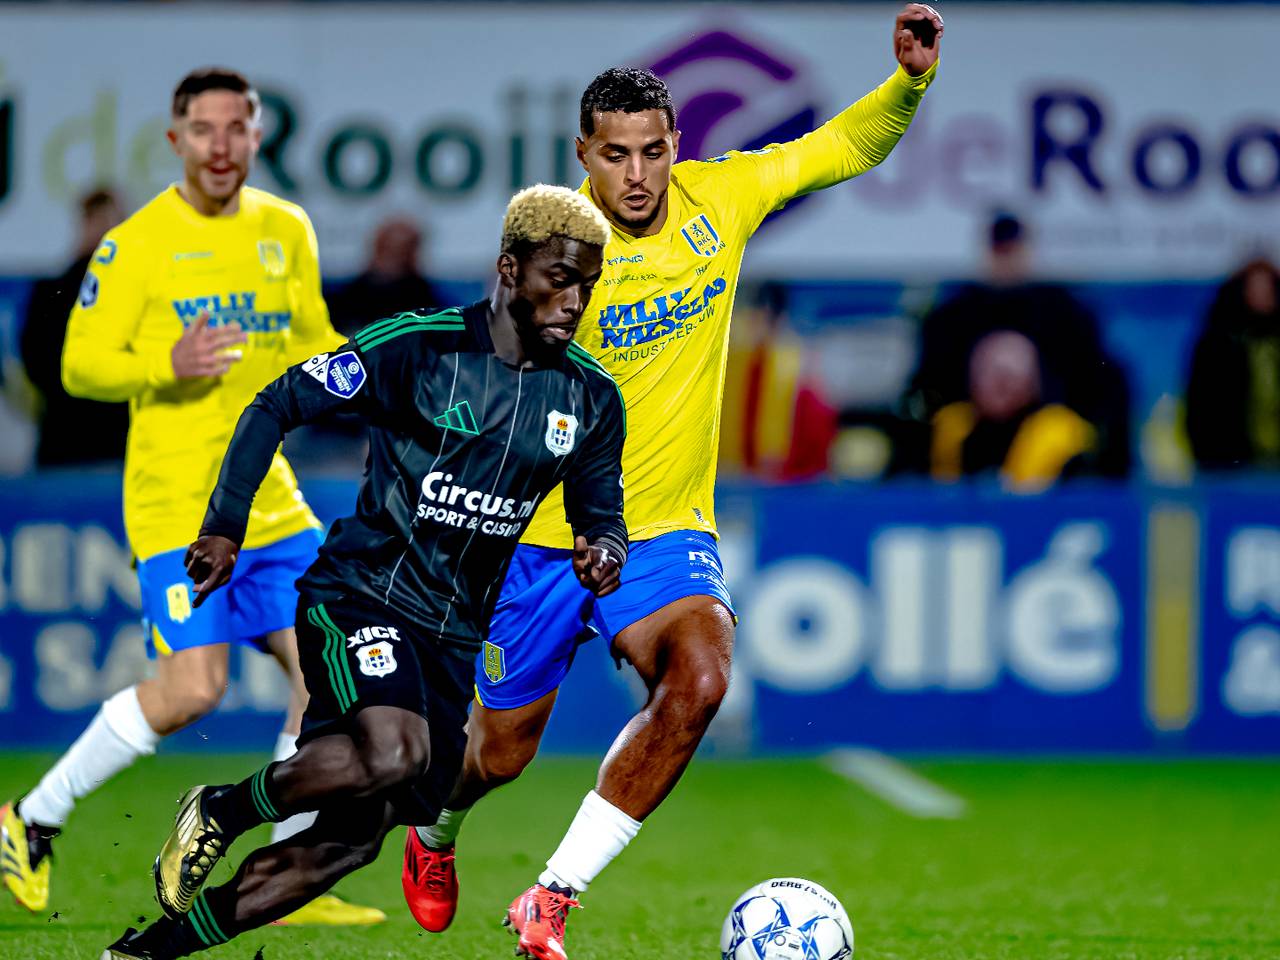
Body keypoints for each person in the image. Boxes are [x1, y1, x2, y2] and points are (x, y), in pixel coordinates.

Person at [402, 6, 943, 958]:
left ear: (676, 145)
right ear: (584, 154)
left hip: (660, 531)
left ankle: (552, 896)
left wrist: (907, 83)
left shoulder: (720, 201)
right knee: (498, 754)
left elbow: (843, 145)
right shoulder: (550, 259)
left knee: (700, 679)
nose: (639, 175)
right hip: (533, 542)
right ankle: (436, 831)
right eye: (617, 156)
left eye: (653, 151)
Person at [100, 183, 628, 960]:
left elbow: (600, 511)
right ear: (509, 269)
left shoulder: (591, 398)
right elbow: (276, 403)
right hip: (360, 593)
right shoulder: (418, 348)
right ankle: (221, 807)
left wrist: (603, 549)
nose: (575, 299)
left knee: (354, 841)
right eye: (560, 277)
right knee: (396, 754)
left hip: (452, 638)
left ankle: (145, 952)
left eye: (588, 282)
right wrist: (223, 525)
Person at [0, 67, 381, 927]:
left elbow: (312, 337)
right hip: (178, 504)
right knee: (190, 691)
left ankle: (284, 875)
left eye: (235, 128)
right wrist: (162, 365)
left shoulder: (286, 229)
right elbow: (76, 366)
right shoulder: (135, 245)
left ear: (255, 137)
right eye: (202, 130)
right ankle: (29, 819)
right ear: (175, 142)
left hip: (271, 502)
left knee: (330, 668)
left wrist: (373, 383)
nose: (220, 145)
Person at [901, 210, 1131, 478]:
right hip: (971, 435)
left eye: (1013, 250)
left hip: (1045, 444)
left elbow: (1099, 381)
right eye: (1000, 250)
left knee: (1059, 431)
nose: (1006, 260)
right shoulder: (953, 317)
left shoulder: (1064, 314)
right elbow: (924, 392)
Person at [18, 187, 130, 467]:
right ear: (83, 224)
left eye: (112, 223)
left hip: (119, 447)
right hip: (66, 442)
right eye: (98, 221)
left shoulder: (138, 292)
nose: (105, 231)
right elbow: (37, 364)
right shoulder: (50, 293)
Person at [930, 330, 1097, 491]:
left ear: (1033, 381)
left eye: (1010, 376)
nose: (1000, 386)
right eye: (988, 373)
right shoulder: (951, 426)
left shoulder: (1064, 430)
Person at [1185, 256, 1280, 470]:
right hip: (1233, 467)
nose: (1263, 295)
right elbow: (1200, 409)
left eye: (1268, 288)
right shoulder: (1218, 345)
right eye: (1255, 288)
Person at [327, 216, 443, 337]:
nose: (392, 259)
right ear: (376, 248)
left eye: (401, 251)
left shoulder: (427, 302)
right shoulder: (347, 298)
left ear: (412, 253)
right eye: (387, 248)